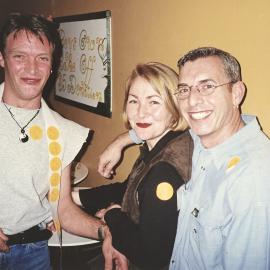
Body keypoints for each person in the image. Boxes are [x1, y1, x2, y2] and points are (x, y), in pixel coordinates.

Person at [98, 47, 270, 270]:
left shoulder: (253, 181)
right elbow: (155, 123)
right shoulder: (201, 137)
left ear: (236, 93)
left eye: (207, 87)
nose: (193, 100)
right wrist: (121, 142)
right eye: (185, 89)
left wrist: (112, 218)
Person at [0, 13, 126, 270]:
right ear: (2, 59)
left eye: (42, 58)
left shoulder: (62, 132)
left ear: (52, 65)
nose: (32, 69)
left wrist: (108, 233)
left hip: (33, 254)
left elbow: (63, 209)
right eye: (20, 56)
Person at [72, 62, 193, 269]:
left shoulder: (163, 172)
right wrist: (74, 196)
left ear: (174, 108)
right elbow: (130, 189)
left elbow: (152, 258)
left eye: (154, 102)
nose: (140, 112)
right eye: (133, 101)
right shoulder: (166, 143)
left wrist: (112, 214)